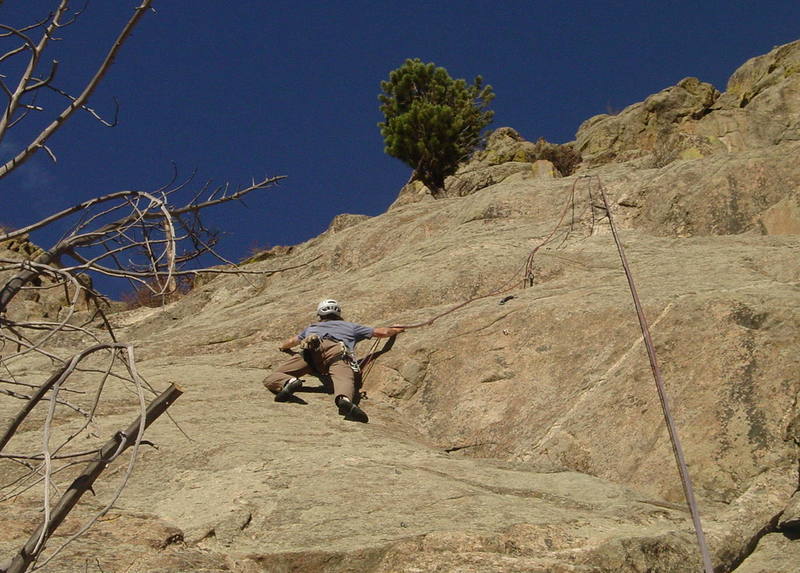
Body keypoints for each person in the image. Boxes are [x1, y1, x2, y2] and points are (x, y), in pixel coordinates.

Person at [263, 299, 404, 422]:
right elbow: (383, 333)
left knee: (271, 377)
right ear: (338, 314)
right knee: (344, 380)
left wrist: (282, 347)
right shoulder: (350, 327)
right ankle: (344, 399)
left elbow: (291, 341)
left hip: (310, 353)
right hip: (337, 352)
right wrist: (396, 330)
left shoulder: (312, 327)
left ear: (320, 314)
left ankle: (289, 381)